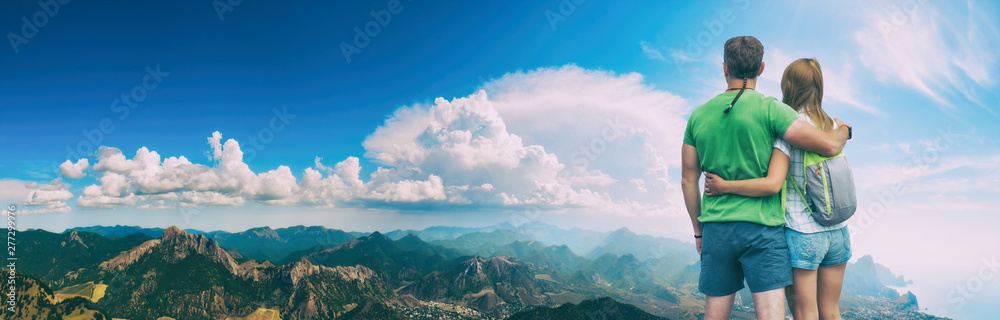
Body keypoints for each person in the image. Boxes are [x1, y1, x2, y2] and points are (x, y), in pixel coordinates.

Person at [680, 36, 850, 320]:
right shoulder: (773, 110)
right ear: (761, 68)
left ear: (724, 67)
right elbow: (828, 145)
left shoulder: (697, 116)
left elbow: (688, 181)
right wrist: (845, 130)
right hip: (763, 230)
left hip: (716, 230)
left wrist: (699, 231)